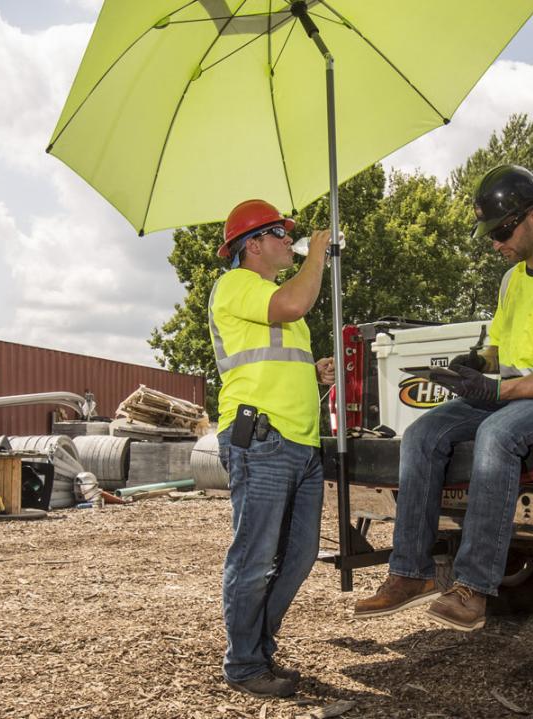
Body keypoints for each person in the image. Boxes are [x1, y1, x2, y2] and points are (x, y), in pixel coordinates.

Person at [353, 164, 533, 632]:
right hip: (514, 397)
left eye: (502, 230)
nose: (495, 243)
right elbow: (500, 350)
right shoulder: (514, 279)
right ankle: (411, 573)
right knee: (423, 433)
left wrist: (493, 389)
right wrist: (476, 363)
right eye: (491, 233)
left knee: (496, 434)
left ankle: (473, 588)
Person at [209, 199, 335, 697]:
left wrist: (312, 372)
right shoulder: (237, 284)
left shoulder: (274, 297)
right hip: (261, 438)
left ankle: (258, 647)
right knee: (255, 558)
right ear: (253, 244)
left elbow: (275, 358)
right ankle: (243, 664)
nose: (290, 241)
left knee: (300, 556)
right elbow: (295, 304)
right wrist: (319, 253)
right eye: (281, 235)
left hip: (300, 443)